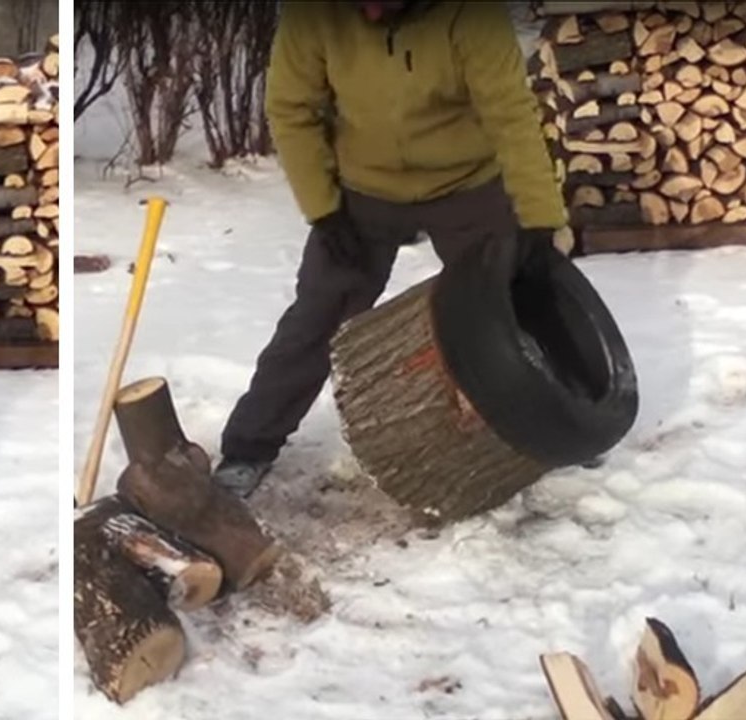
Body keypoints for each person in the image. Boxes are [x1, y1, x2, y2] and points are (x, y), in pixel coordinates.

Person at [213, 1, 576, 497]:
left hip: (467, 181)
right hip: (364, 189)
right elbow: (290, 109)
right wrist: (324, 209)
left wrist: (538, 218)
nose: (370, 14)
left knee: (519, 299)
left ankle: (566, 419)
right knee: (319, 311)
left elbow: (511, 115)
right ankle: (249, 445)